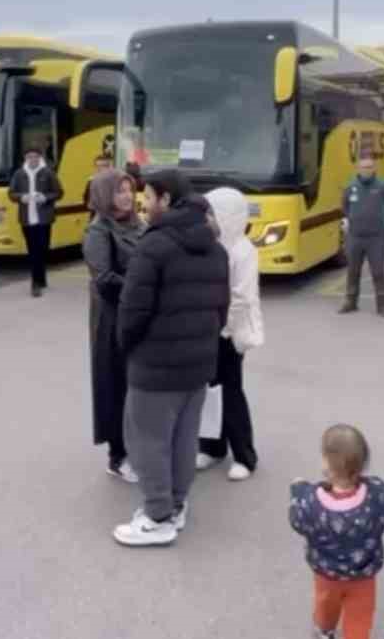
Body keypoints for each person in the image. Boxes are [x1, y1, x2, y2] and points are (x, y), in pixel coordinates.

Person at [112, 169, 229, 547]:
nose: (143, 203)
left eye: (148, 196)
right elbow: (221, 310)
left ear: (165, 199)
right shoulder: (215, 246)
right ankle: (176, 504)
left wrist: (127, 347)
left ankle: (158, 516)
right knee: (183, 439)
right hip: (198, 364)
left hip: (155, 365)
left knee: (146, 440)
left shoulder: (154, 246)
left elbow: (132, 310)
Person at [288, 425, 384, 639]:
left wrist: (297, 490)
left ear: (327, 466)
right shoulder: (376, 495)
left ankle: (325, 631)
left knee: (325, 605)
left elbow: (297, 521)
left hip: (326, 574)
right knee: (360, 617)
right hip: (363, 575)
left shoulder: (310, 502)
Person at [196, 187, 265, 481]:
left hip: (229, 333)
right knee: (209, 391)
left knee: (231, 392)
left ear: (228, 216)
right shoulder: (210, 245)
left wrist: (222, 327)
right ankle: (212, 447)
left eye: (212, 213)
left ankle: (244, 456)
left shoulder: (242, 250)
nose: (207, 219)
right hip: (208, 329)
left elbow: (241, 297)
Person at [83, 169, 146, 483]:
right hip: (112, 319)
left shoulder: (138, 224)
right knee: (115, 385)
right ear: (104, 195)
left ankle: (137, 448)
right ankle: (117, 455)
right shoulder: (99, 231)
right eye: (118, 191)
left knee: (137, 385)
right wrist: (143, 290)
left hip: (139, 314)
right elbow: (105, 279)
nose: (126, 196)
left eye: (128, 190)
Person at [339, 155, 384, 318]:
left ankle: (382, 305)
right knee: (353, 270)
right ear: (358, 169)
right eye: (364, 167)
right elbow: (345, 207)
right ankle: (351, 302)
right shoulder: (350, 187)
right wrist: (355, 219)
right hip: (355, 237)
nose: (367, 170)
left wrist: (379, 219)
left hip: (376, 238)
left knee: (378, 272)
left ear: (374, 168)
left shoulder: (383, 186)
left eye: (370, 167)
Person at [11, 146, 63, 298]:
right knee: (33, 251)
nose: (32, 159)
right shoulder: (19, 174)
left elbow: (59, 192)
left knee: (42, 249)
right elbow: (11, 193)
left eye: (35, 156)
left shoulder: (48, 173)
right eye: (29, 157)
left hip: (44, 219)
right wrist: (21, 197)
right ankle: (35, 284)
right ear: (25, 159)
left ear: (40, 158)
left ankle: (41, 277)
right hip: (27, 219)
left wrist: (45, 197)